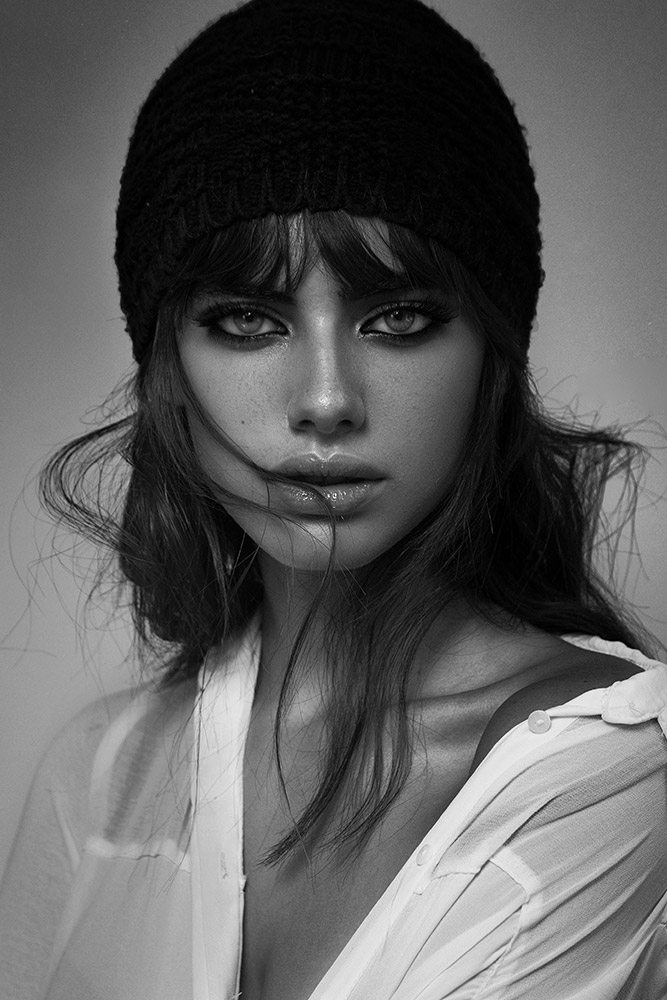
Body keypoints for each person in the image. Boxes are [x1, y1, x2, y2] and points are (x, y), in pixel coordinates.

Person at [1, 0, 666, 997]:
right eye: (245, 320)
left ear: (491, 353)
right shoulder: (100, 775)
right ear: (165, 363)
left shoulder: (603, 768)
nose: (324, 399)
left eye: (398, 317)